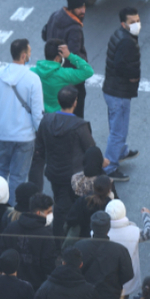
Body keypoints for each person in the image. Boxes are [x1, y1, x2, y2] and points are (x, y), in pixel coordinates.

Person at [33, 87, 95, 238]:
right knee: (79, 206)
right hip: (76, 176)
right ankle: (75, 237)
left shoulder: (46, 120)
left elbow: (39, 147)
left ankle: (58, 241)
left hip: (55, 173)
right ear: (75, 102)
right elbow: (91, 150)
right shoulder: (80, 125)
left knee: (60, 206)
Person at [65, 211, 133, 299]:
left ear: (92, 227)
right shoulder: (119, 250)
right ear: (108, 228)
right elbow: (128, 275)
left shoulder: (80, 246)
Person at [0, 39, 45, 190]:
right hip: (24, 137)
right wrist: (41, 135)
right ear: (24, 56)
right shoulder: (33, 79)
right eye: (30, 52)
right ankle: (12, 212)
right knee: (18, 178)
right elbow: (37, 113)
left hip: (1, 135)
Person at [101, 7, 142, 182]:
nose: (137, 24)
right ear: (123, 24)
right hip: (119, 93)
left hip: (111, 89)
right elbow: (120, 66)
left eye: (137, 20)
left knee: (115, 126)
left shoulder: (120, 35)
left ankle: (122, 151)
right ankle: (110, 167)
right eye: (132, 22)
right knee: (118, 131)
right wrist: (133, 76)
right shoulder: (126, 41)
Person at [0, 193, 58, 290]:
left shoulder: (11, 228)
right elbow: (49, 264)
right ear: (38, 213)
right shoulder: (46, 234)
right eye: (49, 212)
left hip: (11, 284)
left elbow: (1, 254)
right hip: (36, 286)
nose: (51, 215)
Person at [45, 0, 90, 117]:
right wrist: (83, 62)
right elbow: (73, 56)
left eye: (84, 7)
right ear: (71, 8)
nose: (83, 11)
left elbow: (44, 34)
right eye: (79, 8)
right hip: (71, 80)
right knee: (76, 117)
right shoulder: (75, 29)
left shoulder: (55, 16)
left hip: (53, 72)